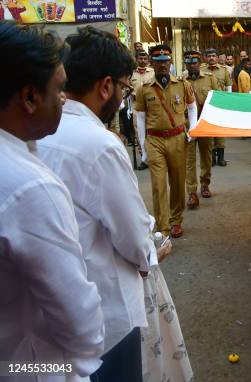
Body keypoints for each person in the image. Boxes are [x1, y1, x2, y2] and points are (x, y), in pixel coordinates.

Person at [36, 26, 154, 382]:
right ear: (106, 86)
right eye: (123, 87)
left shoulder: (29, 133)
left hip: (47, 318)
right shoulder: (98, 144)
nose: (123, 96)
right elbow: (132, 236)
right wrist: (150, 253)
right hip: (106, 315)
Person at [0, 21, 105, 381]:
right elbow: (77, 316)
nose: (64, 99)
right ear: (29, 97)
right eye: (59, 89)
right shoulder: (30, 187)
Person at [134, 44, 198, 238]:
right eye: (158, 62)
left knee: (178, 182)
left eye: (165, 61)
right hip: (155, 141)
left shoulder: (182, 84)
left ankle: (176, 219)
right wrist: (143, 145)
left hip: (178, 138)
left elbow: (192, 106)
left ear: (170, 62)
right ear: (153, 63)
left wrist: (192, 130)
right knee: (158, 184)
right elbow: (140, 118)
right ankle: (163, 226)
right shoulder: (143, 89)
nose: (162, 65)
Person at [183, 50, 219, 208]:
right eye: (189, 63)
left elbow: (217, 100)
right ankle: (191, 191)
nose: (192, 65)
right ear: (186, 65)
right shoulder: (180, 81)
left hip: (205, 124)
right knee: (189, 160)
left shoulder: (210, 79)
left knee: (206, 156)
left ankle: (205, 184)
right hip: (188, 125)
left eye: (195, 62)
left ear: (200, 63)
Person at [205, 48, 232, 166]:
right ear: (205, 58)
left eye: (213, 56)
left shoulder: (224, 71)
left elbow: (228, 88)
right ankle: (211, 158)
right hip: (207, 106)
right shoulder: (202, 70)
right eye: (209, 56)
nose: (211, 58)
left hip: (220, 106)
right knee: (209, 133)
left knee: (220, 133)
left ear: (217, 58)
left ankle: (221, 158)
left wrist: (228, 105)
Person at [131, 50, 155, 171]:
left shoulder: (153, 73)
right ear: (136, 59)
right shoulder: (131, 73)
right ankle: (144, 159)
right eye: (140, 58)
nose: (143, 61)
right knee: (138, 131)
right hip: (136, 106)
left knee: (150, 131)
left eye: (145, 58)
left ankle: (153, 156)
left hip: (150, 105)